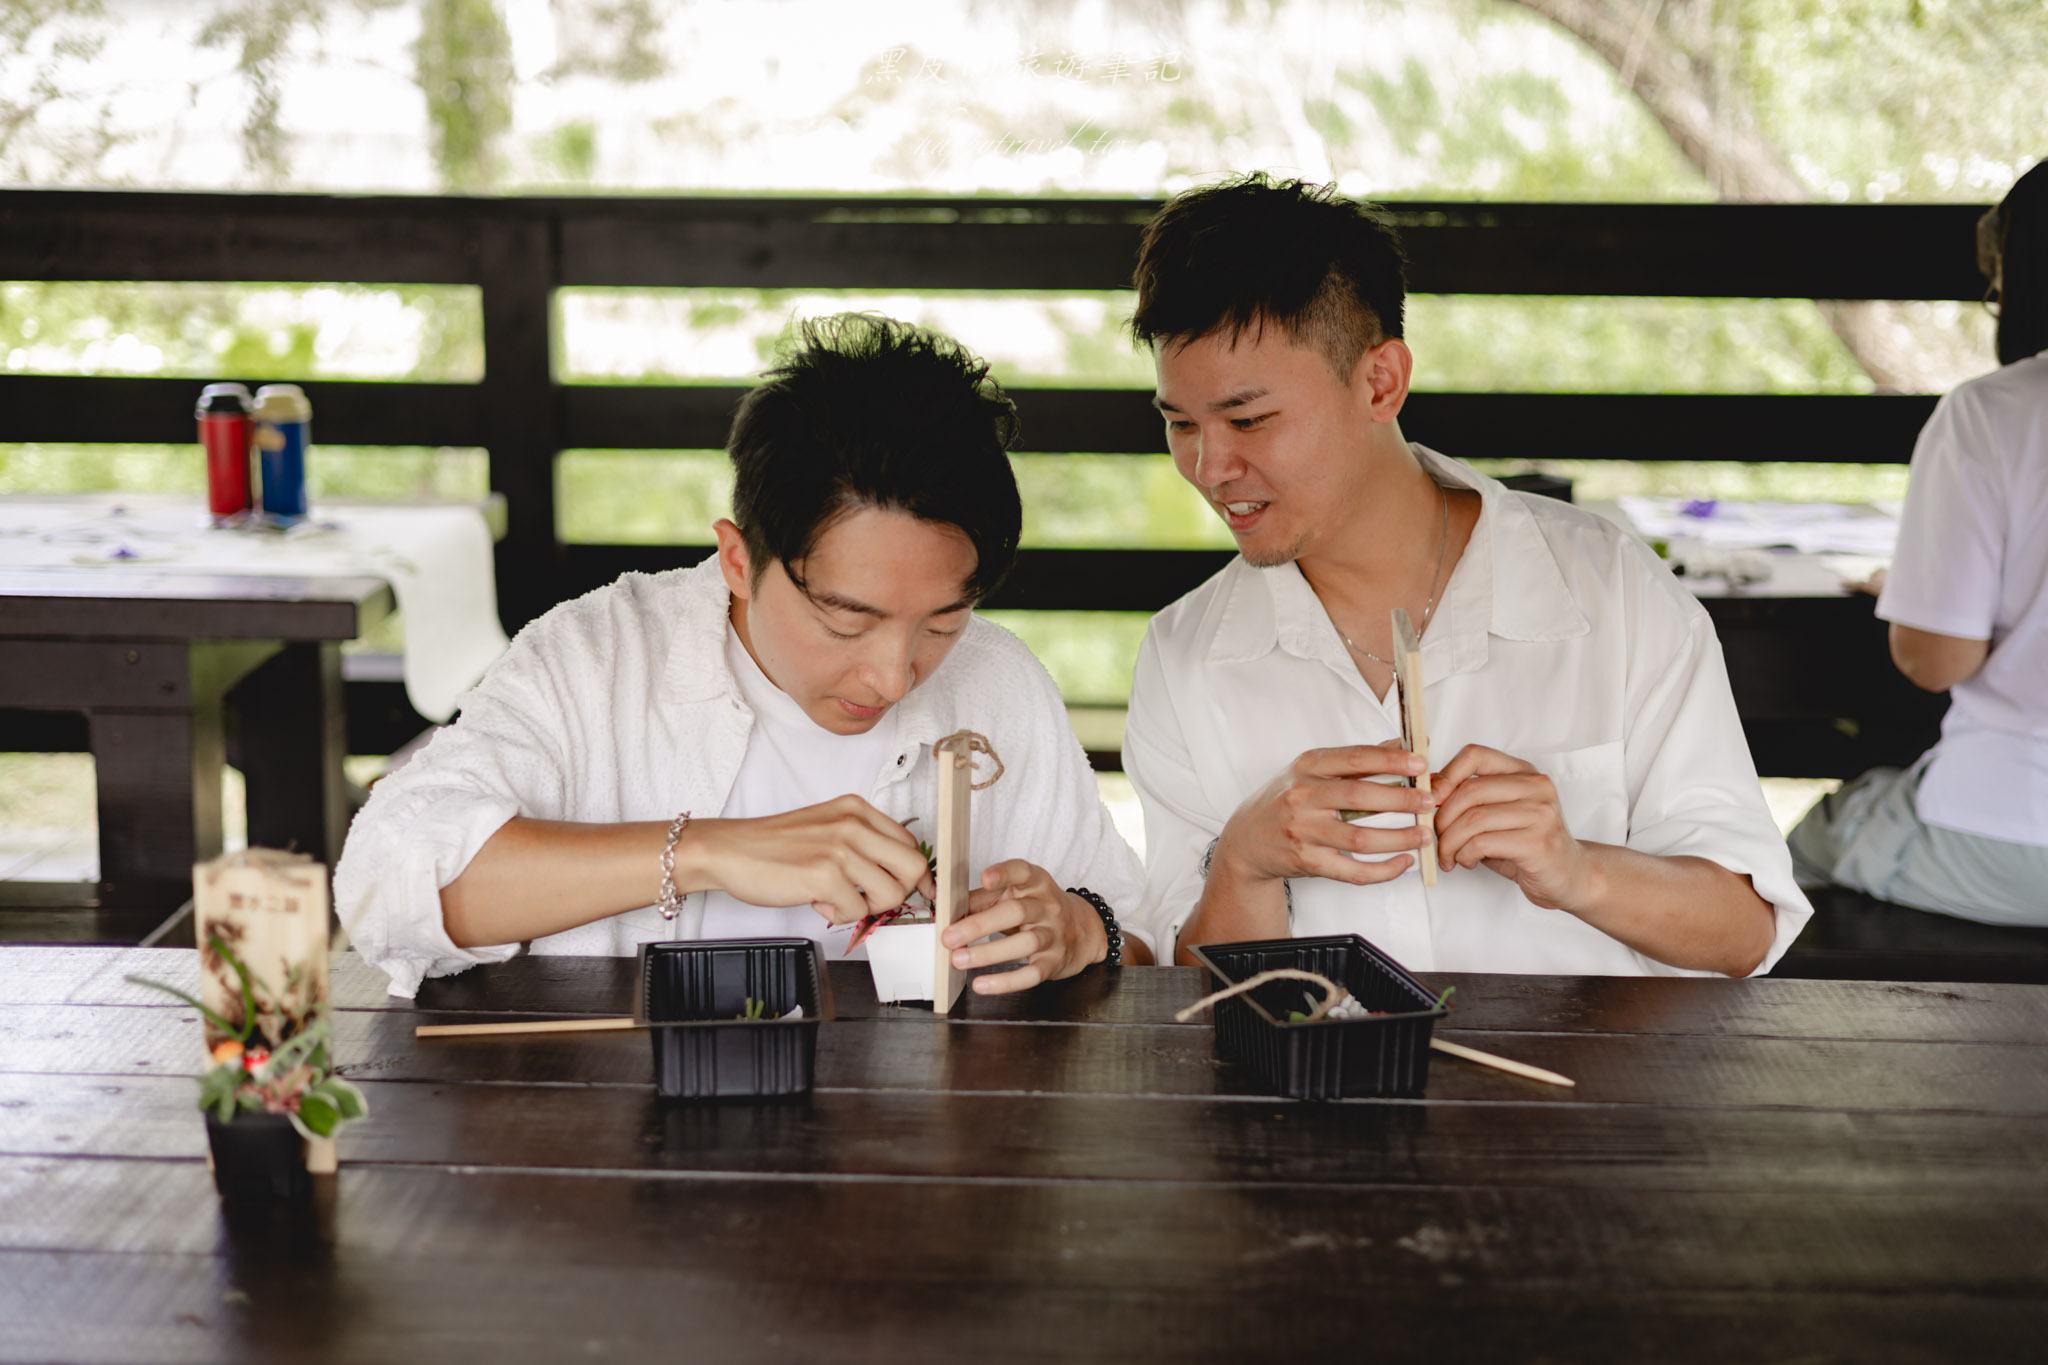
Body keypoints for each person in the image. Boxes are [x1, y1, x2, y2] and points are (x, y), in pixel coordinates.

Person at [336, 314, 1149, 997]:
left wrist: (1084, 929)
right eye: (845, 620)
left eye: (942, 622)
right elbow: (381, 884)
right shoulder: (599, 657)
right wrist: (708, 849)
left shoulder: (996, 681)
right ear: (737, 559)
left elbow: (1146, 937)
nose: (893, 676)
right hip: (615, 1123)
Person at [1120, 174, 1811, 976]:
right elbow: (1187, 990)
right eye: (1180, 423)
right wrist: (1243, 863)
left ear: (1381, 381)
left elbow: (1746, 933)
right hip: (1317, 1066)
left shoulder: (1608, 588)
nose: (1209, 466)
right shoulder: (1185, 653)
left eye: (1248, 419)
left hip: (1584, 1061)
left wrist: (1577, 868)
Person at [1788, 159, 2048, 924]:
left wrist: (1918, 597)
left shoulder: (1992, 413)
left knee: (1783, 857)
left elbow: (1936, 661)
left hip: (2006, 828)